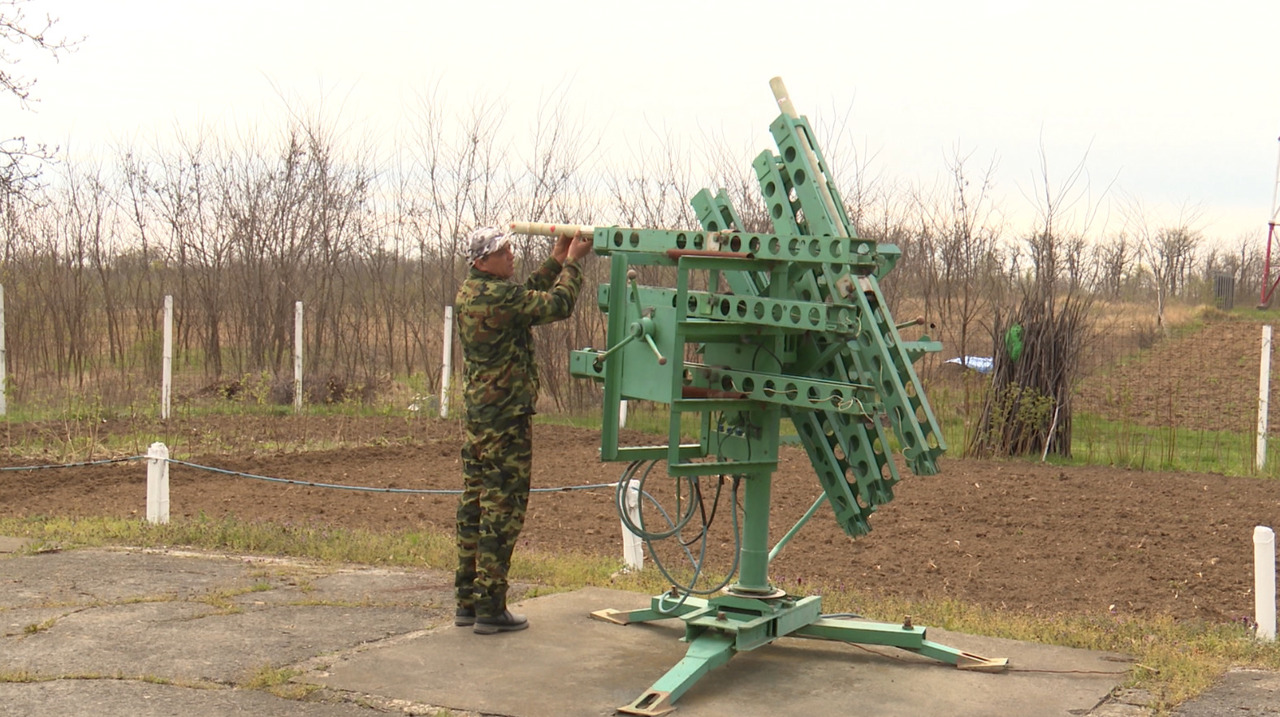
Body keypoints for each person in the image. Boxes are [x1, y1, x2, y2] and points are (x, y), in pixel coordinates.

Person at [453, 225, 593, 634]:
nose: (512, 256)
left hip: (481, 415)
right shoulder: (498, 296)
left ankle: (467, 599)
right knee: (503, 508)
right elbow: (557, 305)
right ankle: (491, 607)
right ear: (483, 261)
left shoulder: (473, 292)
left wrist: (554, 259)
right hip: (506, 419)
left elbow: (526, 296)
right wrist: (572, 264)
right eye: (505, 252)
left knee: (475, 504)